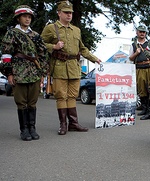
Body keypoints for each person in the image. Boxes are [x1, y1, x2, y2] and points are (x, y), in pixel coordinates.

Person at [41, 1, 101, 135]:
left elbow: (83, 48)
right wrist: (53, 47)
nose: (69, 15)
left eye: (71, 13)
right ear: (59, 13)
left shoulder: (76, 30)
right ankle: (63, 124)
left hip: (74, 66)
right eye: (66, 12)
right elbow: (39, 44)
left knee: (73, 95)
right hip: (59, 66)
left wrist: (94, 58)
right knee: (61, 96)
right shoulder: (51, 28)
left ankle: (73, 123)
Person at [0, 5, 49, 141]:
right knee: (21, 103)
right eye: (24, 16)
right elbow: (6, 55)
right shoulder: (12, 33)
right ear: (18, 18)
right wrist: (9, 73)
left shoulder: (36, 36)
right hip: (18, 72)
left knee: (32, 102)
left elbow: (43, 54)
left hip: (34, 72)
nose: (27, 19)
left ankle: (32, 128)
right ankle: (24, 130)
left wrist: (43, 74)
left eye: (29, 17)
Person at [129, 24, 150, 116]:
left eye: (144, 32)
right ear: (137, 32)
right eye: (140, 31)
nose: (142, 33)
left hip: (149, 68)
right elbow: (130, 58)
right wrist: (136, 53)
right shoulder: (133, 45)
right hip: (139, 68)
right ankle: (144, 108)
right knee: (142, 89)